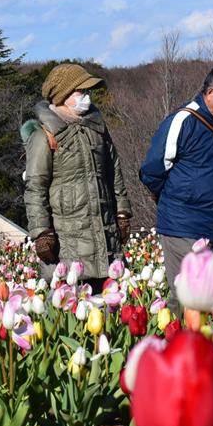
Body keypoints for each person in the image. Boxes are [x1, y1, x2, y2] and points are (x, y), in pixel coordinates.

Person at [139, 64, 213, 314]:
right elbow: (152, 170)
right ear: (211, 92)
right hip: (183, 224)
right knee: (187, 300)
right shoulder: (182, 121)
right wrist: (177, 198)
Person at [22, 63, 132, 291]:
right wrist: (42, 232)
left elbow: (114, 172)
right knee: (73, 304)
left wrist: (122, 212)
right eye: (81, 91)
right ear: (63, 95)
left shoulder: (97, 129)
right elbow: (35, 188)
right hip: (68, 242)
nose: (87, 96)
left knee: (110, 304)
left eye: (88, 91)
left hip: (105, 236)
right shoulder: (44, 135)